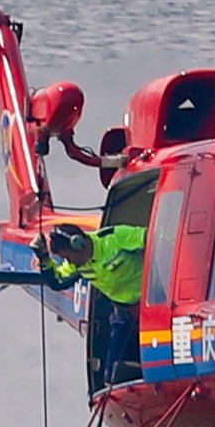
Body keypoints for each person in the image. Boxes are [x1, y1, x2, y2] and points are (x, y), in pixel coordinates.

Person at [83, 135, 154, 397]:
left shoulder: (115, 238)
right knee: (114, 370)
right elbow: (59, 279)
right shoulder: (74, 263)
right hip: (125, 309)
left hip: (146, 301)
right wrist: (44, 259)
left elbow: (150, 238)